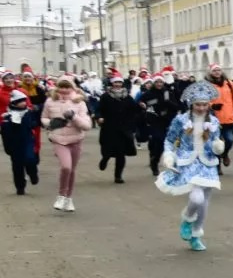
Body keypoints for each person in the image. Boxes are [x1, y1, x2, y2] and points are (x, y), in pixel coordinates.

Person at [155, 81, 225, 252]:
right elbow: (170, 140)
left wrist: (218, 146)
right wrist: (169, 156)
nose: (201, 108)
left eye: (204, 105)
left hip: (208, 163)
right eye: (198, 104)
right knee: (196, 198)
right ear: (191, 104)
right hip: (188, 162)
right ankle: (187, 219)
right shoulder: (181, 120)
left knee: (205, 201)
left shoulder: (214, 121)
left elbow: (216, 141)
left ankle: (196, 235)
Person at [41, 76, 92, 212]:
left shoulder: (79, 102)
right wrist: (50, 123)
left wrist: (74, 117)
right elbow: (44, 117)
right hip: (58, 139)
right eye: (61, 86)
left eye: (67, 86)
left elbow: (87, 125)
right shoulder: (50, 101)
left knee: (72, 170)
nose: (64, 89)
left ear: (72, 87)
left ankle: (69, 199)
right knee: (66, 167)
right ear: (57, 87)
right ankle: (61, 195)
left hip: (75, 139)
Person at [96, 72, 140, 184]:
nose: (118, 84)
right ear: (112, 83)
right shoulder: (105, 96)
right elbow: (99, 109)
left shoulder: (127, 97)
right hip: (109, 128)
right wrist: (99, 117)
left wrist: (141, 107)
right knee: (107, 150)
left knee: (121, 153)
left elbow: (134, 110)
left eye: (120, 82)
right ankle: (105, 159)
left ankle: (118, 176)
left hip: (123, 129)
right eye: (116, 82)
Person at [206, 63, 233, 173]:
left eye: (218, 70)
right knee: (216, 144)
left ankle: (225, 153)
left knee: (230, 140)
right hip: (213, 119)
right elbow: (201, 100)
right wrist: (212, 105)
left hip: (228, 117)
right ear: (210, 72)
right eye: (214, 71)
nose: (217, 72)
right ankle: (217, 165)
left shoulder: (230, 84)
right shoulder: (207, 85)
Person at [139, 74, 180, 176]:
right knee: (157, 139)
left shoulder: (168, 93)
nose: (159, 84)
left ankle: (155, 161)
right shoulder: (148, 94)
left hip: (167, 120)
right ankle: (154, 159)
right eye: (157, 82)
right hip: (154, 120)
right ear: (153, 83)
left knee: (162, 143)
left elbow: (176, 106)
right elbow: (141, 103)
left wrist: (167, 102)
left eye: (161, 82)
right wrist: (142, 105)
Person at [1, 90, 39, 194]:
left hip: (27, 141)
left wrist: (33, 120)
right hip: (15, 145)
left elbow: (34, 123)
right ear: (14, 103)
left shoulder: (28, 113)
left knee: (30, 160)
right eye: (20, 101)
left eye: (24, 101)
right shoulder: (8, 117)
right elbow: (5, 135)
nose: (23, 103)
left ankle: (33, 174)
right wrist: (7, 148)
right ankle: (20, 187)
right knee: (17, 166)